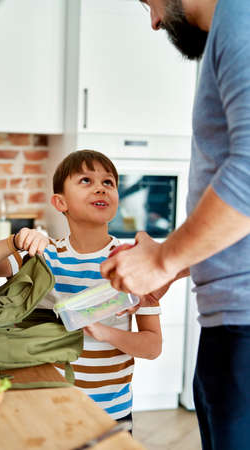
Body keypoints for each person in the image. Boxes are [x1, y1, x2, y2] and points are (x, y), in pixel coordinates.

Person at [101, 1, 250, 449]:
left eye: (149, 1)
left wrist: (165, 260)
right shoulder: (229, 26)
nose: (153, 21)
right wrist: (173, 261)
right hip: (229, 320)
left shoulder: (241, 17)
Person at [0, 149, 162, 431]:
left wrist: (102, 331)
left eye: (108, 183)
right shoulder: (44, 256)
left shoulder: (133, 261)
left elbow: (152, 346)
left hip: (111, 411)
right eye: (86, 181)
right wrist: (14, 241)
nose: (100, 189)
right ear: (60, 202)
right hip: (49, 399)